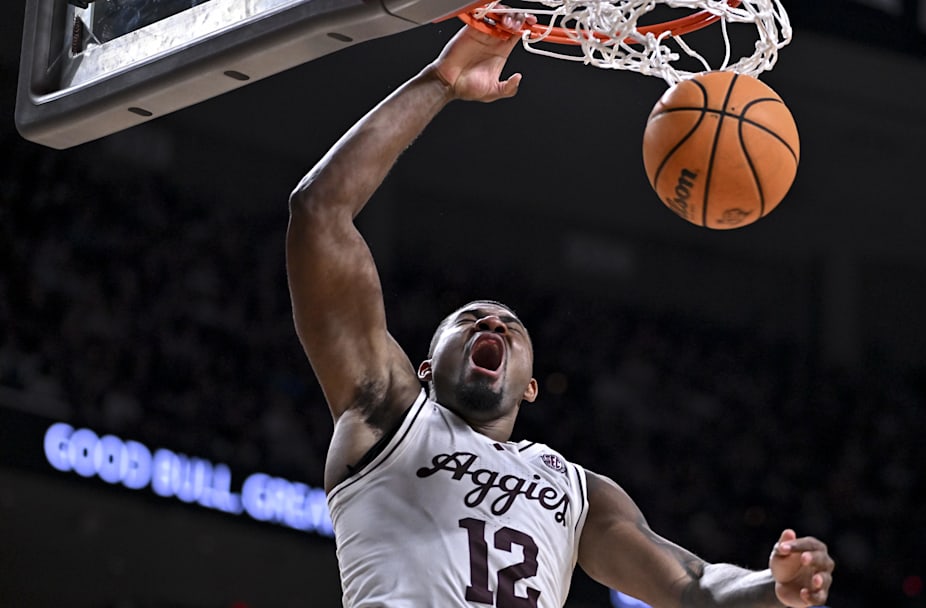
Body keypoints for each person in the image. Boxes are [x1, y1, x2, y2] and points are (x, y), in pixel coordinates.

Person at [286, 13, 835, 608]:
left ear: (531, 389)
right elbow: (320, 214)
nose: (492, 323)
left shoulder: (576, 491)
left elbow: (694, 586)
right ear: (423, 368)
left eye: (510, 325)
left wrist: (774, 589)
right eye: (469, 320)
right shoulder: (388, 415)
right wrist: (441, 80)